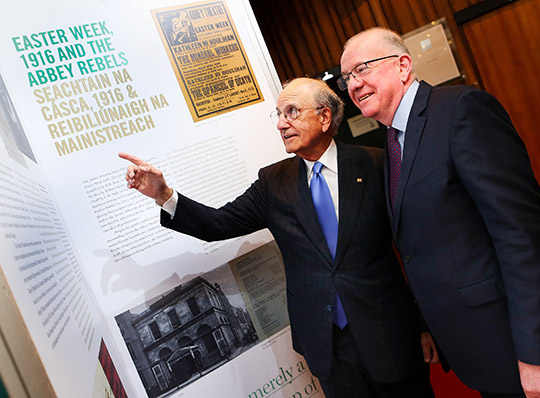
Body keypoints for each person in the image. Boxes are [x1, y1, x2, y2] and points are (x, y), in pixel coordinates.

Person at [120, 77, 434, 398]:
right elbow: (218, 224)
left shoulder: (377, 163)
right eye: (279, 114)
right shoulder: (273, 183)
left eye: (292, 112)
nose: (282, 124)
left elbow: (416, 249)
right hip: (327, 346)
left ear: (324, 117)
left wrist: (424, 324)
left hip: (390, 334)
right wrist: (164, 194)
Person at [339, 27, 540, 398]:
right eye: (347, 77)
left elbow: (522, 234)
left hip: (514, 345)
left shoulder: (461, 109)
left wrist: (534, 352)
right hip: (475, 350)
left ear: (403, 66)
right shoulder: (391, 141)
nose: (353, 84)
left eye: (362, 68)